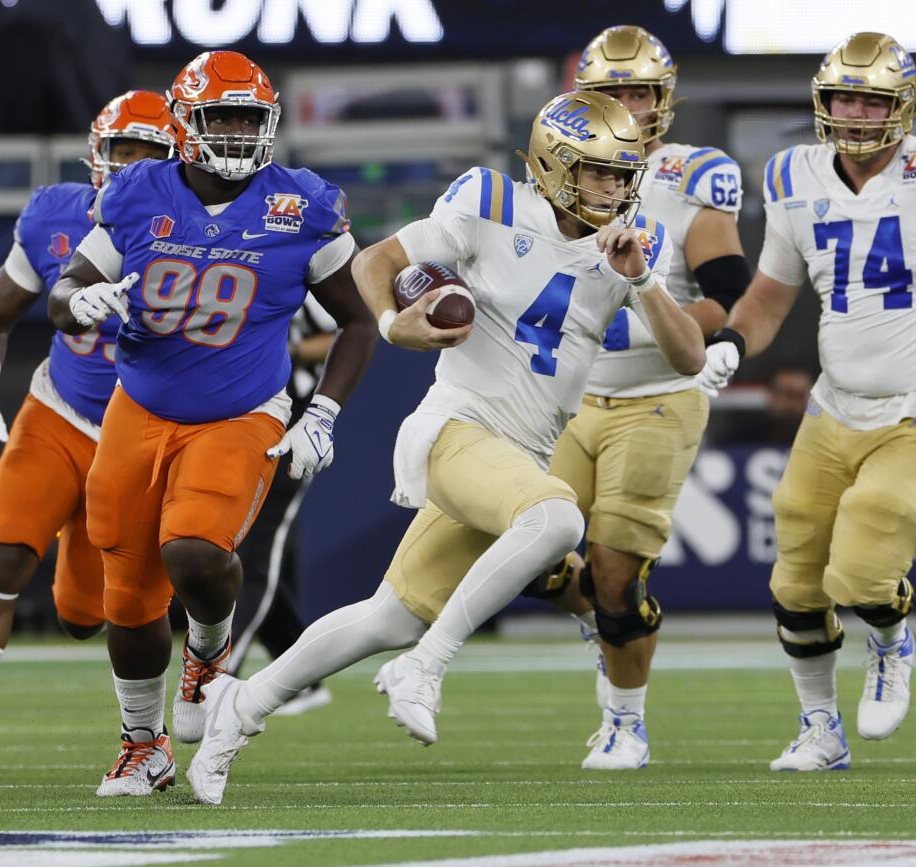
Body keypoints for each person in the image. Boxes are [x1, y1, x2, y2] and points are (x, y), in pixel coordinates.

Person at [185, 89, 705, 804]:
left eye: (622, 174)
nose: (614, 189)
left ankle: (235, 709)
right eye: (597, 173)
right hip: (458, 427)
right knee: (557, 521)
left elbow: (688, 359)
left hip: (517, 454)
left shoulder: (631, 238)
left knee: (387, 615)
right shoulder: (490, 199)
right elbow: (377, 261)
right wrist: (398, 325)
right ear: (554, 166)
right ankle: (426, 667)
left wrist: (641, 278)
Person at [698, 32, 916, 770]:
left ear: (904, 108)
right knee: (794, 579)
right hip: (835, 406)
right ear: (822, 103)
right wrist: (731, 341)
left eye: (872, 99)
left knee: (860, 567)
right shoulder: (795, 176)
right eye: (843, 97)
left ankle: (891, 641)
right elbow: (769, 293)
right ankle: (820, 727)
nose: (855, 113)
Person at [48, 50, 377, 797]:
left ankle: (208, 652)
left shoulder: (302, 204)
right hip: (140, 405)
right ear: (184, 122)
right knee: (124, 589)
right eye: (219, 116)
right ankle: (143, 745)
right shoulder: (137, 192)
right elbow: (70, 284)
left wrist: (322, 412)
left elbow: (359, 320)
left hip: (239, 410)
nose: (233, 131)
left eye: (246, 118)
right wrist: (79, 303)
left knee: (194, 551)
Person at [0, 91, 176, 781]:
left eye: (148, 155)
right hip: (59, 413)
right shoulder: (56, 215)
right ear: (97, 156)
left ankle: (158, 726)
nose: (130, 169)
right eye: (121, 153)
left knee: (84, 614)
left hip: (140, 428)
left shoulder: (197, 225)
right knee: (2, 558)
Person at [521, 25, 749, 770]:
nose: (627, 103)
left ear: (663, 99)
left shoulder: (693, 176)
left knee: (617, 571)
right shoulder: (556, 171)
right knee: (520, 546)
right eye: (612, 91)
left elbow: (727, 296)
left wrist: (678, 327)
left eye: (640, 91)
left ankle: (625, 721)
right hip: (565, 396)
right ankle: (602, 617)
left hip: (657, 391)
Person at [228, 295, 338, 715]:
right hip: (235, 424)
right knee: (232, 552)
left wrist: (284, 348)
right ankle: (302, 677)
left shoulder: (303, 270)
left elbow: (346, 330)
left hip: (288, 427)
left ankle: (221, 672)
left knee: (254, 556)